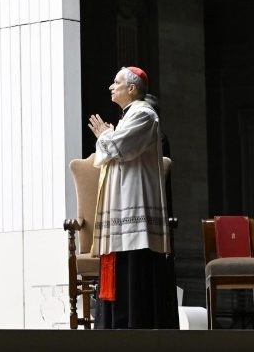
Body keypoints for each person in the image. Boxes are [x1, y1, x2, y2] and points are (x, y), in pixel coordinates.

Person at [87, 66, 178, 329]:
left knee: (133, 265)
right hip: (121, 202)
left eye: (116, 82)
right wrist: (109, 136)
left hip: (133, 200)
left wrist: (105, 134)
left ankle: (132, 325)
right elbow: (110, 151)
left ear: (132, 88)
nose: (110, 87)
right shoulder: (130, 116)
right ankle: (114, 325)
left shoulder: (144, 114)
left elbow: (119, 148)